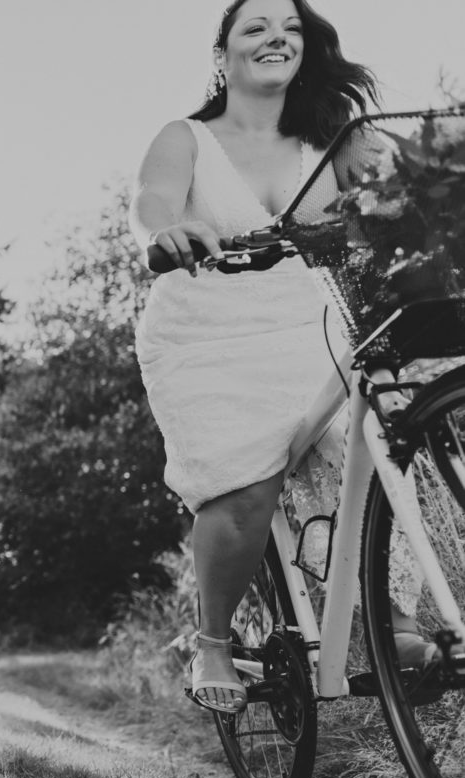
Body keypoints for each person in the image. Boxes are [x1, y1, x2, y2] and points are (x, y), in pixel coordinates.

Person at [129, 0, 392, 713]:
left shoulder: (332, 140)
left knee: (367, 463)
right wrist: (172, 229)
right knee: (247, 483)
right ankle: (212, 644)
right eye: (255, 28)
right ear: (223, 54)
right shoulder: (184, 137)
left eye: (290, 30)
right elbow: (152, 199)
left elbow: (398, 191)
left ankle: (384, 618)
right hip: (205, 332)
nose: (275, 38)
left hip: (309, 327)